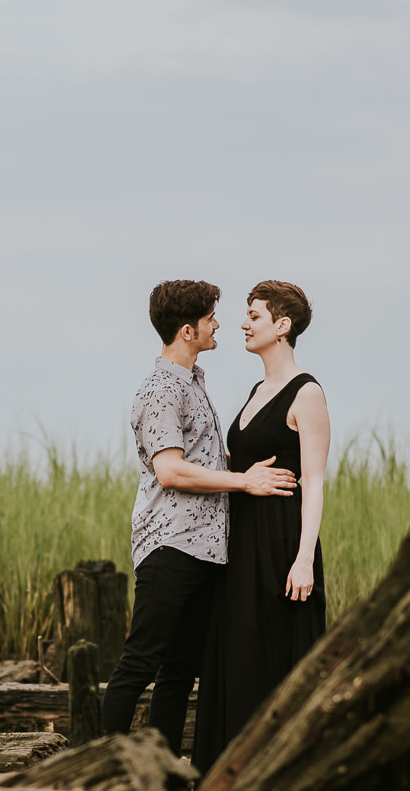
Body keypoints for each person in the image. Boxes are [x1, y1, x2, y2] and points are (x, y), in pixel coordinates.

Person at [101, 279, 298, 758]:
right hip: (170, 544)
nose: (218, 324)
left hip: (206, 550)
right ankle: (94, 767)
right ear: (188, 330)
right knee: (141, 661)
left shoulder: (194, 382)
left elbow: (207, 459)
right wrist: (245, 481)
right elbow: (170, 470)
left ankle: (166, 777)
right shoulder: (162, 388)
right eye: (211, 317)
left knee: (180, 670)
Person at [193, 280, 329, 770]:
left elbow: (313, 483)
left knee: (275, 652)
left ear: (282, 326)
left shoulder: (307, 392)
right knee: (239, 652)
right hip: (241, 540)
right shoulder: (256, 390)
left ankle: (280, 773)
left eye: (254, 315)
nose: (244, 324)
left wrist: (303, 561)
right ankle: (228, 774)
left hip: (280, 541)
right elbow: (243, 466)